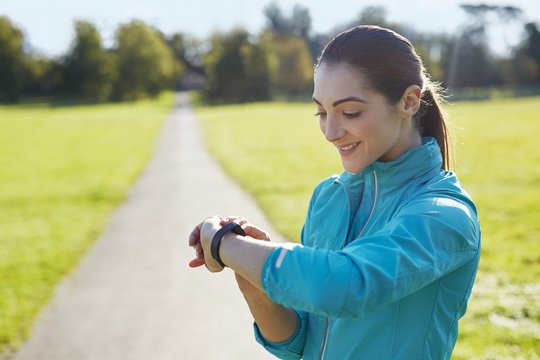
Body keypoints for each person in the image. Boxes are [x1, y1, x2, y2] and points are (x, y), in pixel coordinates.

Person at [188, 25, 481, 359]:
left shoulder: (444, 213)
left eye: (350, 112)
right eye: (322, 112)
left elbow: (345, 286)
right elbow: (299, 345)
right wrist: (256, 286)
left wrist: (226, 244)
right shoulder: (328, 197)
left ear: (409, 102)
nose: (330, 131)